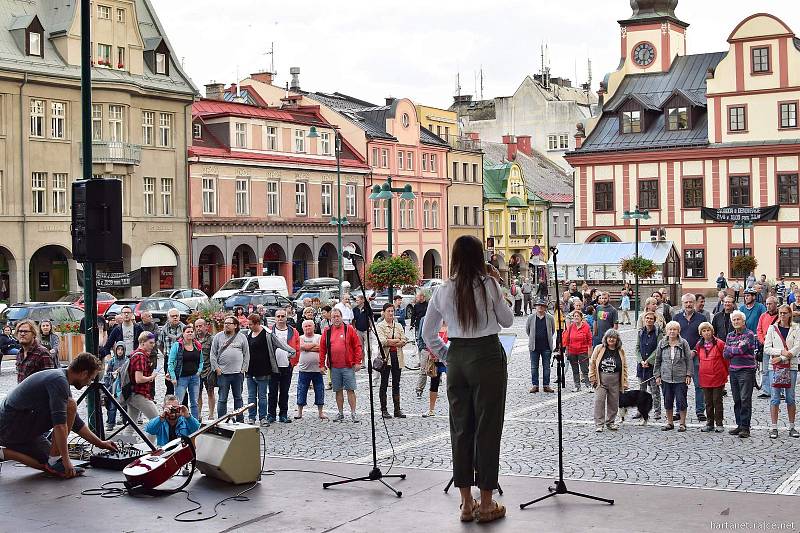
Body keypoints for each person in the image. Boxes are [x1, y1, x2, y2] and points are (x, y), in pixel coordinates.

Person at [422, 235, 513, 524]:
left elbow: (428, 334)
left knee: (461, 429)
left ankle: (465, 504)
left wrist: (448, 355)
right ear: (478, 257)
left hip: (458, 357)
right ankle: (486, 504)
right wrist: (501, 288)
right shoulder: (488, 285)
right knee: (488, 428)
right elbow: (508, 321)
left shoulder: (443, 289)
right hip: (487, 355)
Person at [0, 353, 117, 478]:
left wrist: (101, 443)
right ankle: (55, 458)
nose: (89, 383)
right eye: (90, 378)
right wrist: (65, 461)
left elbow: (75, 423)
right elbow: (60, 425)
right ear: (83, 373)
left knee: (48, 466)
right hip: (9, 426)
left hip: (16, 425)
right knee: (70, 405)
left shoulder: (61, 378)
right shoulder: (58, 380)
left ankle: (3, 454)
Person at [319, 308, 363, 423]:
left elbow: (357, 346)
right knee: (338, 390)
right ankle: (340, 412)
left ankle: (353, 413)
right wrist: (321, 364)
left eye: (338, 316)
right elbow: (322, 349)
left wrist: (358, 362)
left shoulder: (349, 329)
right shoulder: (327, 331)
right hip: (334, 367)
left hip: (348, 366)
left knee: (350, 389)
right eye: (333, 317)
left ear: (341, 317)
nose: (336, 319)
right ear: (331, 318)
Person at [763, 305, 799, 438]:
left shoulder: (796, 328)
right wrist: (780, 352)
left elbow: (797, 347)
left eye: (785, 313)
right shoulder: (773, 328)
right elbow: (767, 348)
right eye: (780, 313)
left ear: (790, 314)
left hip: (791, 366)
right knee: (775, 398)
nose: (782, 315)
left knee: (790, 397)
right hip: (775, 368)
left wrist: (782, 357)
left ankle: (792, 426)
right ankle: (774, 427)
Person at [723, 310, 758, 439]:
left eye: (738, 319)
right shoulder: (730, 335)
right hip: (733, 370)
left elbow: (742, 349)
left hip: (746, 370)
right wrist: (734, 349)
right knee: (737, 399)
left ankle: (745, 427)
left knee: (745, 399)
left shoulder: (749, 334)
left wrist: (732, 350)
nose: (736, 322)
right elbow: (725, 354)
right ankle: (739, 424)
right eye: (734, 320)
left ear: (743, 321)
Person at [673, 293, 707, 422]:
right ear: (682, 303)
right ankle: (679, 410)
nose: (688, 305)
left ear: (694, 303)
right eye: (686, 302)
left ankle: (700, 411)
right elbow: (674, 335)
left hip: (696, 356)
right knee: (680, 385)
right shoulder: (676, 318)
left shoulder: (701, 318)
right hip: (680, 357)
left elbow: (703, 336)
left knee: (699, 385)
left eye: (690, 302)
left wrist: (694, 350)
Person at [654, 321, 693, 432]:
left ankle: (682, 423)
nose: (672, 331)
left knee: (681, 401)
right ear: (666, 331)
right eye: (670, 329)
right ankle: (670, 422)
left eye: (674, 329)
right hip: (665, 377)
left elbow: (689, 359)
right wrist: (657, 375)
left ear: (678, 331)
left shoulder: (683, 343)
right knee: (668, 400)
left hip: (680, 377)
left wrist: (688, 374)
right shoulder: (662, 343)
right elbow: (658, 360)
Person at [210, 316, 250, 422]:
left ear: (235, 326)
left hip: (238, 374)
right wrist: (216, 368)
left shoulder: (242, 337)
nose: (226, 325)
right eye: (225, 323)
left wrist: (244, 369)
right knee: (222, 399)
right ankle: (221, 420)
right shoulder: (218, 337)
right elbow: (212, 354)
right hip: (223, 374)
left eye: (229, 323)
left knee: (238, 398)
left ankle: (240, 419)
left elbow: (246, 354)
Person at [588, 329, 628, 432]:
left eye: (613, 338)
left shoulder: (620, 351)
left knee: (613, 403)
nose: (611, 339)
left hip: (615, 381)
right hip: (601, 380)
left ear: (617, 340)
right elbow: (592, 363)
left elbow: (624, 367)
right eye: (609, 337)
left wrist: (625, 381)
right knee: (599, 401)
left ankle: (611, 422)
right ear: (606, 338)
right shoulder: (599, 348)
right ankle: (599, 424)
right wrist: (592, 378)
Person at [124, 332, 161, 438]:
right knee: (157, 421)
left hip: (132, 393)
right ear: (142, 342)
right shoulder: (140, 357)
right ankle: (151, 447)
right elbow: (139, 379)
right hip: (139, 394)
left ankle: (124, 446)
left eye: (153, 343)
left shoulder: (136, 354)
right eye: (150, 342)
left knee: (131, 425)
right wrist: (151, 377)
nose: (153, 345)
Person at [267, 308, 300, 423]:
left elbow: (297, 348)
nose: (280, 319)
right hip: (273, 366)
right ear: (275, 318)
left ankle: (283, 414)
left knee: (284, 391)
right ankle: (271, 414)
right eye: (278, 316)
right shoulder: (269, 331)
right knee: (272, 392)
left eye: (282, 316)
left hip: (287, 365)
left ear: (286, 317)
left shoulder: (293, 331)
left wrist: (294, 362)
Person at [376, 303, 408, 418]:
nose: (390, 313)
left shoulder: (398, 326)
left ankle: (397, 409)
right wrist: (397, 341)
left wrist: (392, 340)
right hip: (386, 358)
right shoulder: (380, 326)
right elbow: (383, 341)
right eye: (388, 311)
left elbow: (404, 340)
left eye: (392, 311)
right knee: (384, 383)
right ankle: (384, 409)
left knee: (396, 383)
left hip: (397, 357)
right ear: (384, 312)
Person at [696, 322, 728, 433]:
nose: (706, 333)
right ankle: (709, 422)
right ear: (700, 333)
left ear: (712, 331)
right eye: (703, 331)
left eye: (708, 330)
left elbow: (726, 360)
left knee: (717, 400)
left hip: (718, 376)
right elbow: (700, 360)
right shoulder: (699, 345)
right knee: (708, 401)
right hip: (705, 377)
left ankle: (719, 423)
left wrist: (725, 374)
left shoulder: (720, 344)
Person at [168, 325, 203, 420]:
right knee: (178, 402)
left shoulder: (197, 345)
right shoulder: (177, 345)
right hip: (181, 378)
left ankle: (195, 423)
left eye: (192, 331)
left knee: (194, 402)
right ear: (183, 334)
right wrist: (173, 377)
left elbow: (201, 361)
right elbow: (171, 362)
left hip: (194, 378)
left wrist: (199, 371)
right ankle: (178, 422)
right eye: (188, 331)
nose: (190, 333)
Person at [296, 319, 326, 420]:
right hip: (304, 370)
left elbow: (321, 348)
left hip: (318, 370)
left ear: (314, 327)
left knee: (320, 390)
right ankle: (299, 412)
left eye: (310, 326)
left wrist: (307, 347)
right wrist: (314, 346)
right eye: (306, 326)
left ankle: (320, 412)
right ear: (303, 328)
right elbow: (301, 347)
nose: (308, 328)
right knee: (301, 390)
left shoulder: (319, 337)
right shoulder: (300, 338)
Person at [635, 311, 663, 420]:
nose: (649, 320)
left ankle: (657, 411)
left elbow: (658, 349)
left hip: (653, 366)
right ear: (644, 320)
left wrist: (649, 360)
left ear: (654, 320)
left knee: (654, 390)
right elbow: (637, 348)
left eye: (651, 318)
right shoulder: (640, 332)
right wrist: (641, 360)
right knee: (642, 391)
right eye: (647, 318)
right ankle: (641, 411)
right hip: (641, 366)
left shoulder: (658, 333)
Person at [526, 299, 554, 393]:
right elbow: (528, 330)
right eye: (538, 305)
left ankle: (546, 385)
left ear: (545, 307)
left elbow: (552, 331)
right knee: (534, 367)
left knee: (546, 367)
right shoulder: (531, 318)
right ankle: (535, 385)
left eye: (542, 305)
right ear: (535, 307)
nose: (540, 307)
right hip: (534, 347)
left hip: (546, 346)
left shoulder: (550, 318)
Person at [422, 322, 449, 417]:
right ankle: (431, 409)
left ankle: (454, 409)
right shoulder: (435, 327)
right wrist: (432, 352)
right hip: (435, 359)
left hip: (448, 360)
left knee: (451, 385)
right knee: (434, 383)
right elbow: (429, 341)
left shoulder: (451, 327)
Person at [756, 296, 780, 399]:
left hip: (777, 346)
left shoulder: (780, 316)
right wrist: (763, 341)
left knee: (779, 369)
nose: (768, 306)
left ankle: (780, 390)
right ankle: (766, 390)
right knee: (765, 369)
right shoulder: (763, 316)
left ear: (775, 304)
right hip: (766, 346)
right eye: (767, 304)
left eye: (770, 304)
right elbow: (759, 330)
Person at [563, 310, 592, 392]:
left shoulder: (586, 326)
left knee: (585, 369)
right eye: (574, 316)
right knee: (575, 370)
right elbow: (568, 339)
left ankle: (588, 385)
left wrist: (590, 350)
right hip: (572, 351)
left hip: (583, 351)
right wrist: (567, 350)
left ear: (581, 318)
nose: (576, 318)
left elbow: (589, 339)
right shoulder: (571, 327)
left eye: (577, 316)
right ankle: (577, 386)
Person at [158, 309, 185, 397]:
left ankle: (183, 407)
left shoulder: (184, 329)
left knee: (182, 384)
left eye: (177, 316)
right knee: (169, 384)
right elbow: (160, 344)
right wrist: (166, 354)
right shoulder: (163, 330)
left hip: (182, 359)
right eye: (173, 316)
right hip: (168, 359)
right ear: (168, 318)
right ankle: (169, 407)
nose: (175, 317)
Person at [194, 318, 215, 421]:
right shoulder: (193, 339)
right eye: (197, 326)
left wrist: (213, 369)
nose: (198, 328)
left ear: (206, 326)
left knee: (210, 392)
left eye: (200, 326)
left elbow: (215, 354)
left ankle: (211, 414)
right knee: (198, 394)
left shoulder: (212, 339)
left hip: (208, 370)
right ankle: (198, 415)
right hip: (196, 371)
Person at [103, 341, 127, 431]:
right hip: (113, 387)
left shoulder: (127, 360)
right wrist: (113, 373)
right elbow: (107, 374)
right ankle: (110, 422)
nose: (120, 351)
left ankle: (126, 421)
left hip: (123, 387)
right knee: (112, 406)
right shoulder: (112, 361)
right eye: (118, 349)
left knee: (124, 406)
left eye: (121, 349)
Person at [352, 295, 371, 360]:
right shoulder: (355, 309)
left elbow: (371, 318)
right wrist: (354, 329)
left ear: (362, 300)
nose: (356, 301)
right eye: (356, 300)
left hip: (367, 330)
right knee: (361, 348)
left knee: (369, 348)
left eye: (358, 300)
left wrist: (370, 327)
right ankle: (362, 362)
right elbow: (353, 320)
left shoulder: (367, 308)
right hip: (359, 330)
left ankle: (369, 360)